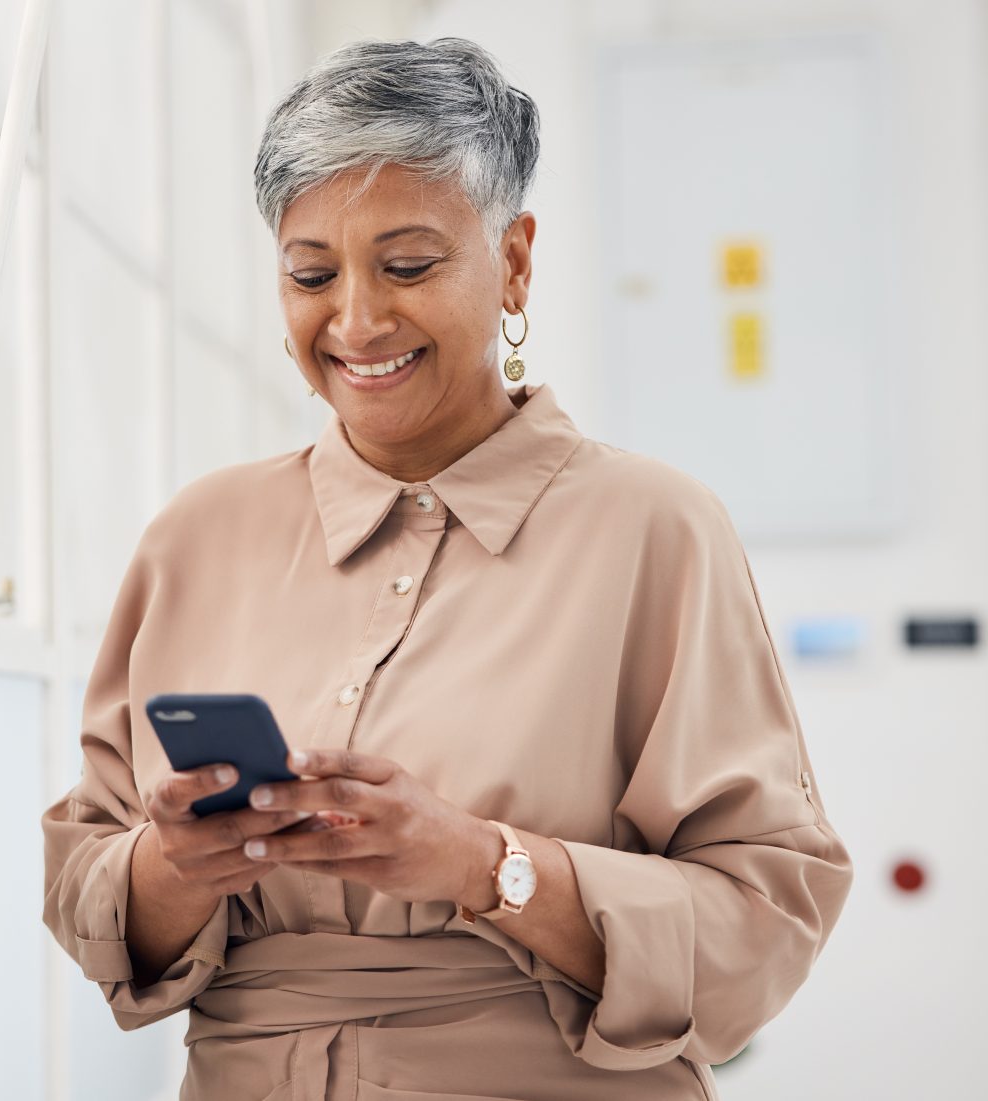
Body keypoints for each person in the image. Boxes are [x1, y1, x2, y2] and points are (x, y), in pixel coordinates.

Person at [41, 36, 852, 1101]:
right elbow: (88, 885)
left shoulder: (653, 528)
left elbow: (765, 920)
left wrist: (485, 867)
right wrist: (174, 868)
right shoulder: (196, 536)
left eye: (409, 266)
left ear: (512, 260)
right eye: (310, 274)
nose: (357, 321)